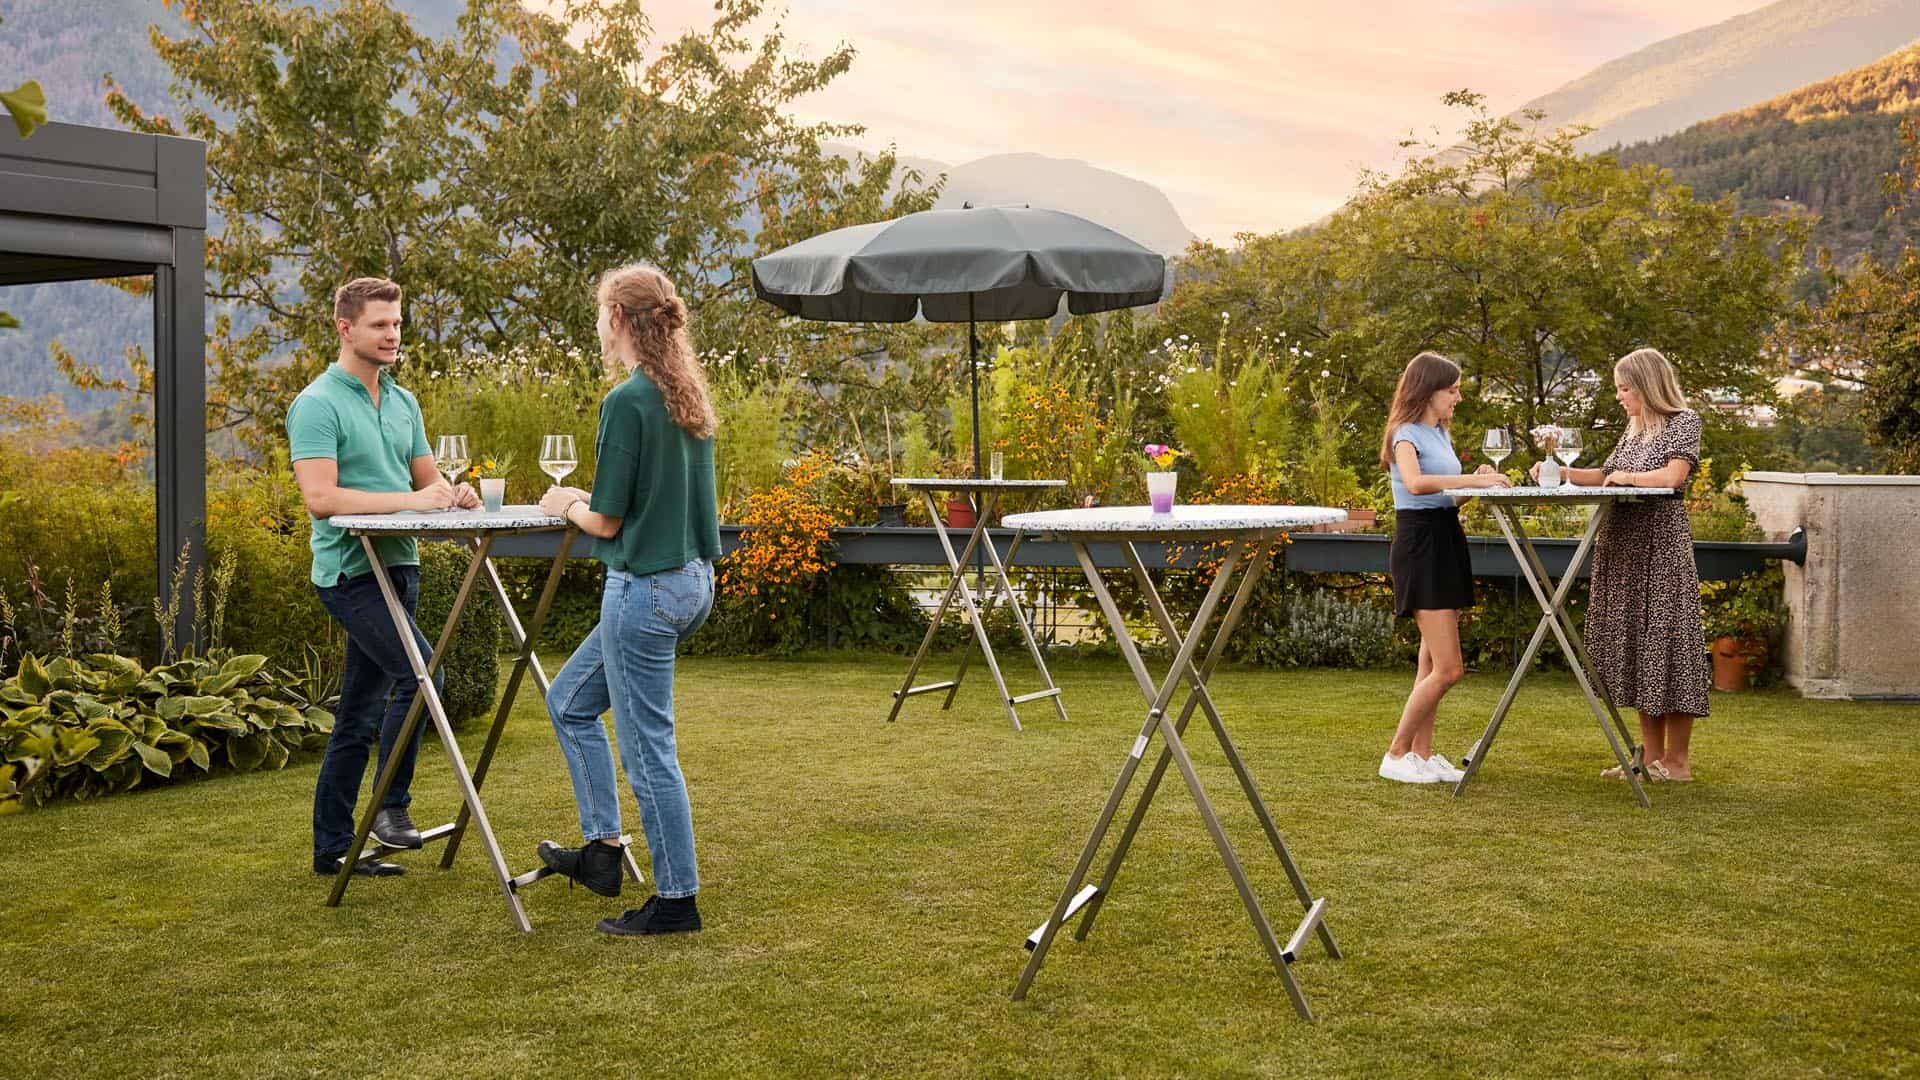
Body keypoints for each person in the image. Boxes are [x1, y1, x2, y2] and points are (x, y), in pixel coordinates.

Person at [533, 263, 722, 936]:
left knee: (648, 752)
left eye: (599, 313)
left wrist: (567, 501)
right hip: (691, 579)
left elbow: (606, 521)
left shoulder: (629, 401)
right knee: (569, 702)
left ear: (619, 319)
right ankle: (602, 851)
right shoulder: (685, 393)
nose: (597, 325)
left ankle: (676, 902)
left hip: (645, 589)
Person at [288, 277, 478, 878]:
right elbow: (320, 498)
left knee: (359, 713)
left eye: (396, 324)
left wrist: (454, 495)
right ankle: (392, 809)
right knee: (424, 677)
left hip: (399, 566)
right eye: (379, 325)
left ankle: (332, 848)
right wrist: (412, 501)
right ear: (345, 328)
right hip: (349, 573)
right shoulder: (317, 403)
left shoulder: (403, 401)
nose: (393, 334)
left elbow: (428, 484)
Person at [1532, 347, 1709, 782]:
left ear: (1648, 387)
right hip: (1622, 548)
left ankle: (1678, 763)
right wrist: (1560, 471)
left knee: (1667, 645)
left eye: (1624, 388)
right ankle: (1649, 757)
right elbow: (1605, 473)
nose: (1619, 396)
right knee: (1637, 647)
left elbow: (1673, 477)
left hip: (1660, 549)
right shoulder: (1633, 430)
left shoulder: (1683, 421)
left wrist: (1628, 478)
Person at [1379, 351, 1512, 784]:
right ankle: (1396, 754)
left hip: (1445, 536)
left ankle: (1422, 754)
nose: (1457, 397)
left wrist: (1476, 484)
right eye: (1451, 390)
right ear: (1428, 390)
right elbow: (1415, 484)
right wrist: (1473, 480)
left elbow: (1444, 498)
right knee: (1450, 669)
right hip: (1419, 544)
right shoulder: (1404, 434)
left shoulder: (1440, 434)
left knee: (1430, 663)